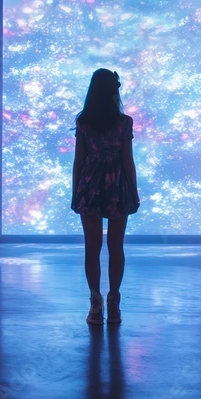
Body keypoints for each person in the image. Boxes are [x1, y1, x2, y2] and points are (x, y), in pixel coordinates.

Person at [71, 68, 140, 325]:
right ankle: (114, 302)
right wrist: (133, 191)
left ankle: (95, 303)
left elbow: (79, 162)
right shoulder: (124, 123)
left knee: (92, 248)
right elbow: (127, 161)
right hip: (117, 187)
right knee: (115, 248)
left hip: (89, 186)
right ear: (114, 90)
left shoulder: (84, 122)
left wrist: (75, 191)